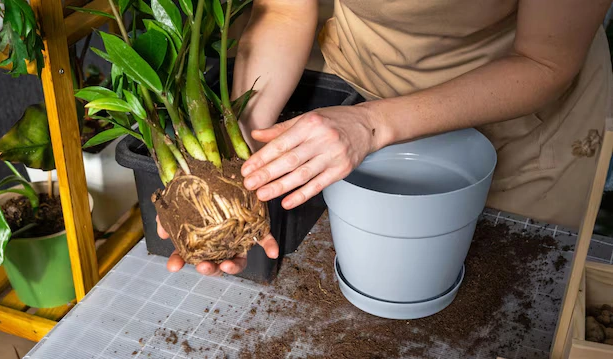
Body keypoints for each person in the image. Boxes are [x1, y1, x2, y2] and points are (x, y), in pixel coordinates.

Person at [157, 0, 613, 276]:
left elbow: (544, 62)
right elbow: (284, 9)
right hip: (361, 88)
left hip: (520, 118)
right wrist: (234, 163)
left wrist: (371, 126)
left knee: (509, 278)